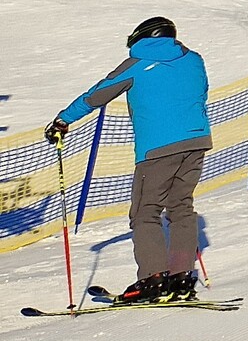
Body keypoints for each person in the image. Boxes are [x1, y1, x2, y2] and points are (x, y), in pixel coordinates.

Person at [47, 18, 213, 303]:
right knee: (181, 207)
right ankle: (182, 278)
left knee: (145, 211)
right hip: (197, 142)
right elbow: (201, 93)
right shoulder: (194, 60)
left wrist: (63, 120)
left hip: (158, 148)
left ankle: (153, 280)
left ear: (141, 39)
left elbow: (97, 95)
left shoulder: (137, 64)